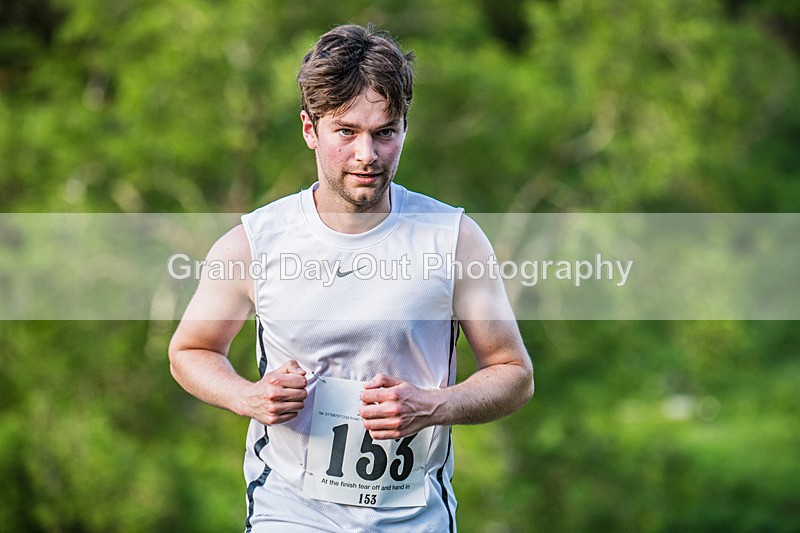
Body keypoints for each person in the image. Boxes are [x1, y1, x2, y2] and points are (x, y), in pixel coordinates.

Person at [169, 23, 533, 533]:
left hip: (414, 518)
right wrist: (246, 395)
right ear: (309, 129)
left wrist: (433, 406)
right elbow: (190, 351)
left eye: (385, 132)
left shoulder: (453, 238)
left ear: (404, 129)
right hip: (288, 513)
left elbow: (514, 374)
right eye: (346, 132)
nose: (368, 154)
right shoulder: (253, 243)